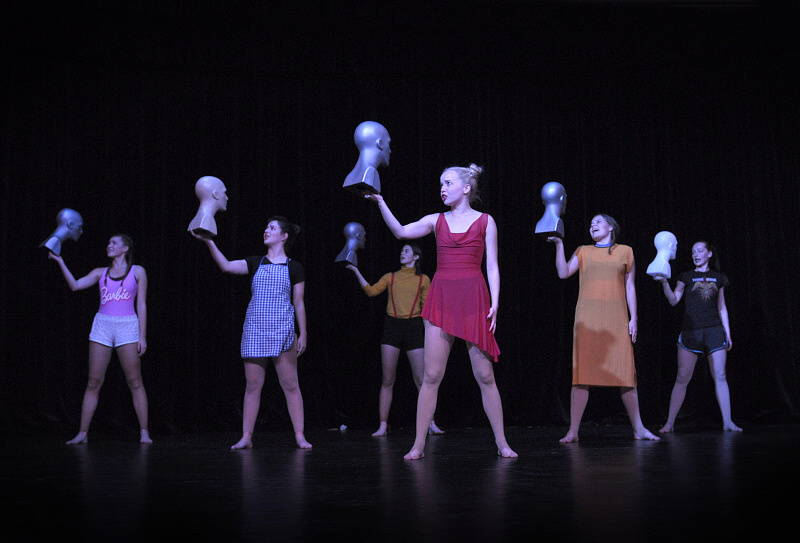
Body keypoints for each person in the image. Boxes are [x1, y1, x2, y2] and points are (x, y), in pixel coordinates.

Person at [366, 163, 517, 459]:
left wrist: (495, 302)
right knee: (432, 375)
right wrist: (381, 202)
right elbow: (400, 231)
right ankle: (418, 445)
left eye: (448, 183)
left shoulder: (486, 221)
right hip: (442, 299)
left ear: (466, 188)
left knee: (485, 375)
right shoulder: (436, 221)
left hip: (474, 299)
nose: (442, 189)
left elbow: (492, 266)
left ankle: (502, 443)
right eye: (440, 184)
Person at [194, 216, 311, 449]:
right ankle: (246, 437)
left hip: (283, 330)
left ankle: (299, 435)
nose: (266, 230)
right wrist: (209, 241)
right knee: (253, 386)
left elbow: (298, 303)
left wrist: (304, 333)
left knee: (290, 385)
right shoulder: (255, 262)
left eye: (272, 227)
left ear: (284, 236)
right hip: (256, 330)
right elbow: (226, 266)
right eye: (266, 227)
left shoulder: (294, 267)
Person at [549, 214, 659, 443]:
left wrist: (634, 317)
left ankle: (639, 428)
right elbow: (563, 272)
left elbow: (630, 286)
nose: (593, 225)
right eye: (591, 223)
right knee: (581, 375)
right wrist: (559, 244)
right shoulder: (583, 251)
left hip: (616, 319)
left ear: (611, 227)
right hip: (587, 320)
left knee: (625, 374)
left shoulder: (625, 251)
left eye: (598, 222)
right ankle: (573, 431)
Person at [48, 234, 152, 444]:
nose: (109, 245)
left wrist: (142, 336)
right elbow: (75, 285)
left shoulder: (138, 271)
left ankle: (144, 432)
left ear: (125, 248)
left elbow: (141, 305)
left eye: (114, 243)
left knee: (135, 381)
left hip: (127, 325)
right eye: (108, 242)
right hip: (102, 326)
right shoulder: (100, 273)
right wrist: (60, 261)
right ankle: (82, 433)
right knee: (94, 381)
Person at [346, 244, 445, 437]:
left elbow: (427, 309)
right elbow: (371, 291)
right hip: (392, 327)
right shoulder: (390, 277)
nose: (402, 253)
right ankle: (383, 425)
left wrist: (431, 335)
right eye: (401, 251)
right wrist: (356, 271)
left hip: (414, 327)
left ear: (416, 257)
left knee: (422, 380)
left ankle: (431, 422)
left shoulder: (423, 279)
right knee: (388, 379)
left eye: (407, 251)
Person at [652, 241, 741, 432]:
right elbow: (674, 300)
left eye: (700, 251)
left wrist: (727, 333)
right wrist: (664, 283)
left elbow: (722, 307)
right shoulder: (686, 277)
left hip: (714, 330)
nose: (696, 254)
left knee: (720, 375)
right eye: (693, 252)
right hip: (691, 331)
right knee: (682, 377)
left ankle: (727, 422)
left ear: (709, 253)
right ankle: (670, 423)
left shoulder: (719, 278)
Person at [343, 120, 391, 195]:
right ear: (380, 144)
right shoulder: (370, 173)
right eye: (388, 143)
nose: (390, 151)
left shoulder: (349, 177)